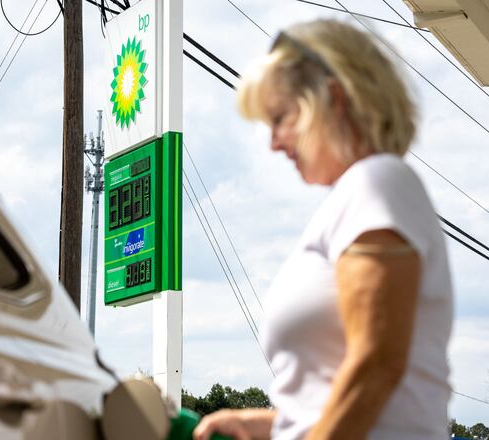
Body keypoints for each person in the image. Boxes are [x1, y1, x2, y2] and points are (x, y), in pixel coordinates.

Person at [193, 19, 453, 440]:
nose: (273, 142)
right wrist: (254, 423)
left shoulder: (378, 181)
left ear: (332, 98)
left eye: (280, 117)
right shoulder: (357, 196)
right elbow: (352, 399)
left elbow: (376, 365)